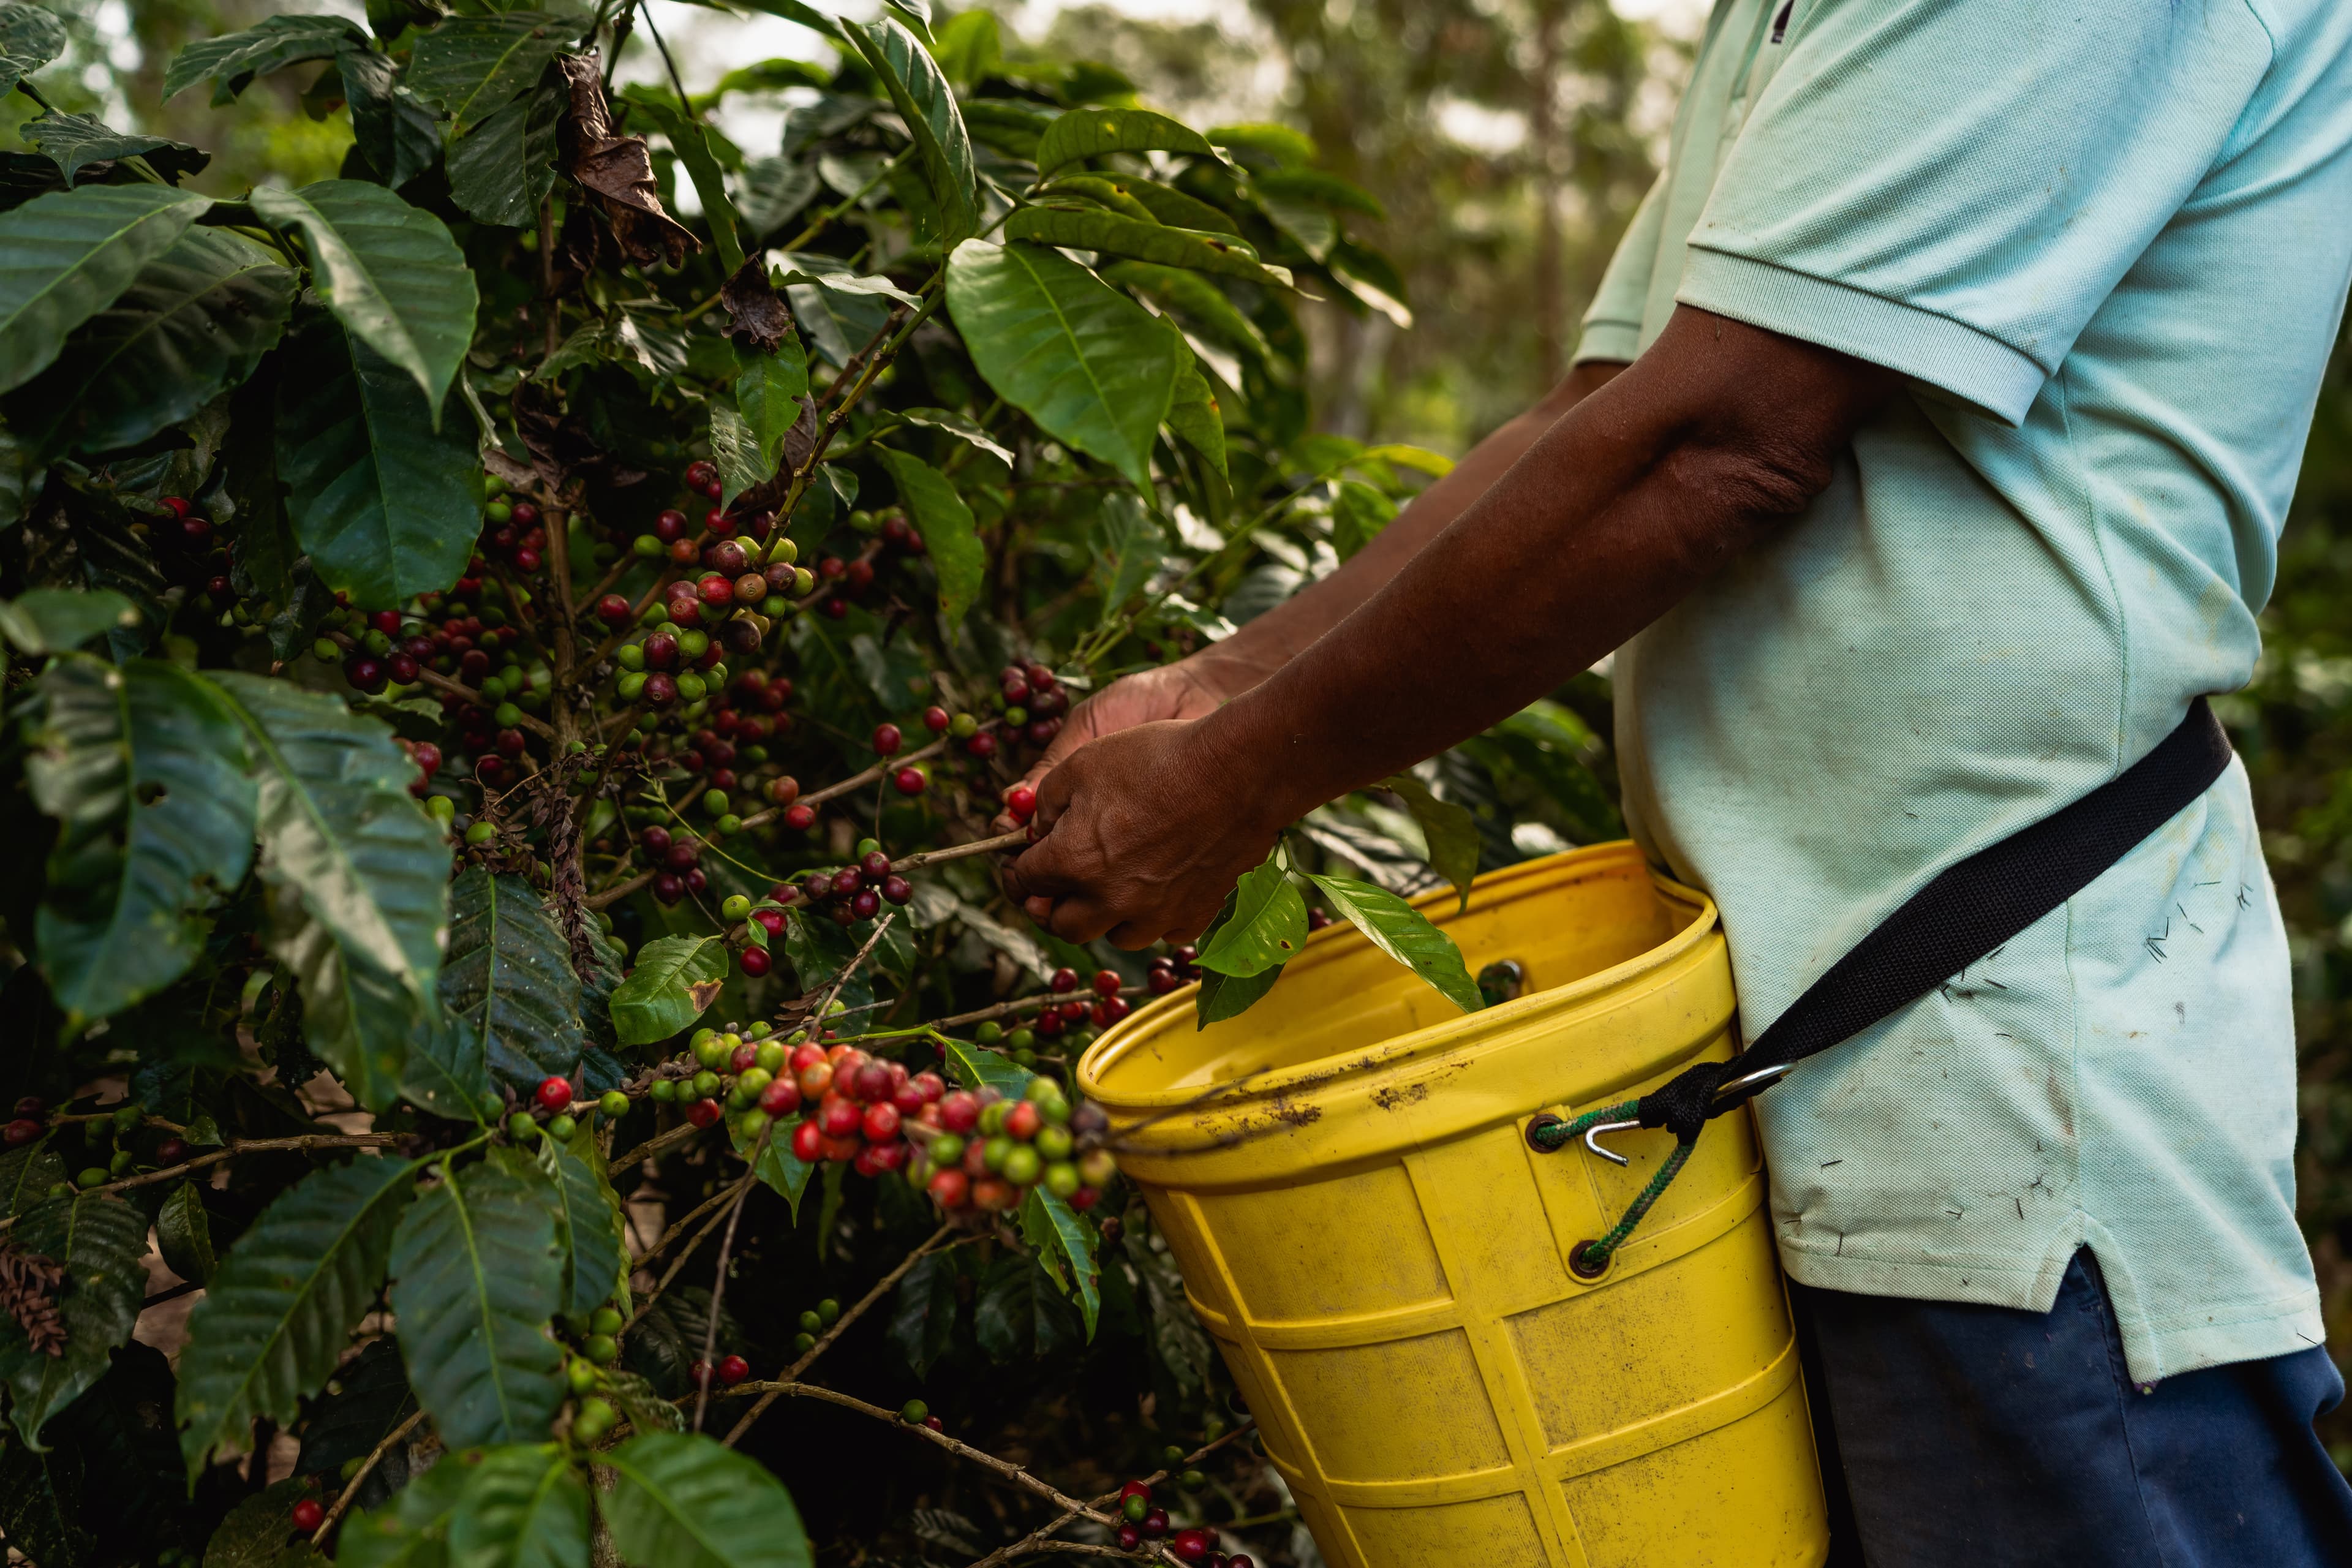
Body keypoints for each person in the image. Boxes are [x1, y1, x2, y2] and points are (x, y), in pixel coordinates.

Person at [998, 0, 2352, 1561]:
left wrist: (1246, 774)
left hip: (2005, 1084)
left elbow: (1721, 442)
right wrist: (1222, 689)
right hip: (1786, 1063)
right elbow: (1610, 405)